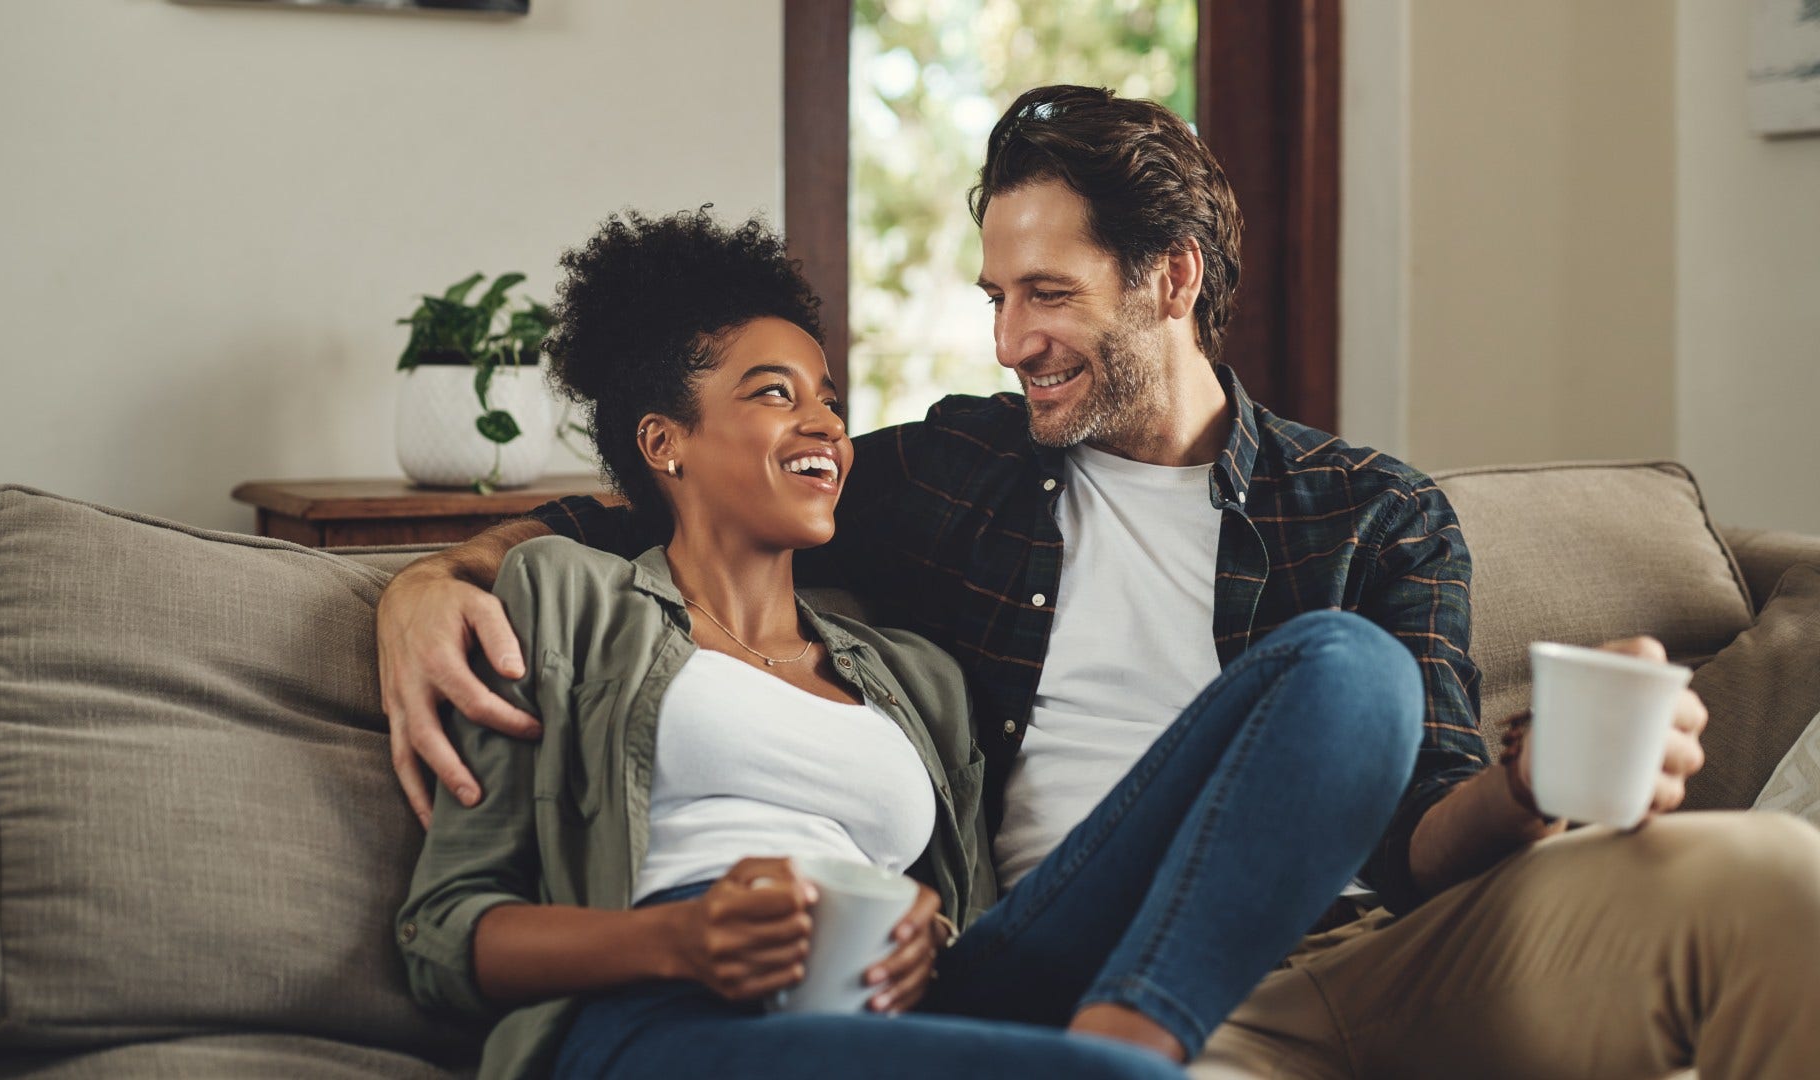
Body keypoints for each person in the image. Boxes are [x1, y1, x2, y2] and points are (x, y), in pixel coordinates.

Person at [384, 88, 1820, 1078]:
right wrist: (435, 578)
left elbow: (1434, 831)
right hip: (1074, 969)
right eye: (996, 297)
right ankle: (1133, 1044)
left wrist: (1541, 777)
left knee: (1759, 873)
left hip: (1379, 945)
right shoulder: (953, 473)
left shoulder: (1370, 511)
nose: (1009, 340)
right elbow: (664, 495)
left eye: (1047, 295)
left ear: (1170, 280)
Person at [396, 208, 1423, 1080]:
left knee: (1349, 667)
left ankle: (1134, 1032)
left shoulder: (910, 675)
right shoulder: (562, 602)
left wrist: (927, 931)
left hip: (916, 1013)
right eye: (774, 394)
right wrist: (676, 940)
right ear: (664, 440)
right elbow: (444, 934)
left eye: (830, 398)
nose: (827, 427)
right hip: (664, 1023)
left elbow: (962, 913)